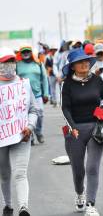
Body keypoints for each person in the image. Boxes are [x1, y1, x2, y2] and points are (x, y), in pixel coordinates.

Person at [61, 48, 103, 216]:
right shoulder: (67, 84)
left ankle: (91, 203)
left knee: (92, 167)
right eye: (80, 62)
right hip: (74, 130)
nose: (84, 64)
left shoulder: (97, 80)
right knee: (78, 170)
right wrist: (72, 127)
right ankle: (80, 194)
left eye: (86, 61)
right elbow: (65, 108)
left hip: (96, 129)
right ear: (72, 66)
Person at [0, 47, 38, 216]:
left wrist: (30, 126)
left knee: (20, 173)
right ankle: (7, 206)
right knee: (4, 174)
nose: (9, 65)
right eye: (4, 62)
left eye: (11, 61)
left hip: (22, 136)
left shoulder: (24, 84)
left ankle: (23, 207)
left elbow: (33, 110)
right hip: (2, 138)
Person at [16, 46, 49, 145]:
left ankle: (38, 132)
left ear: (31, 52)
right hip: (23, 96)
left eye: (27, 51)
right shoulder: (17, 65)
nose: (25, 53)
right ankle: (30, 137)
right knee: (25, 117)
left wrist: (46, 93)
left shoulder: (38, 64)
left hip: (37, 95)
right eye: (23, 52)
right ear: (20, 54)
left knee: (40, 114)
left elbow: (44, 79)